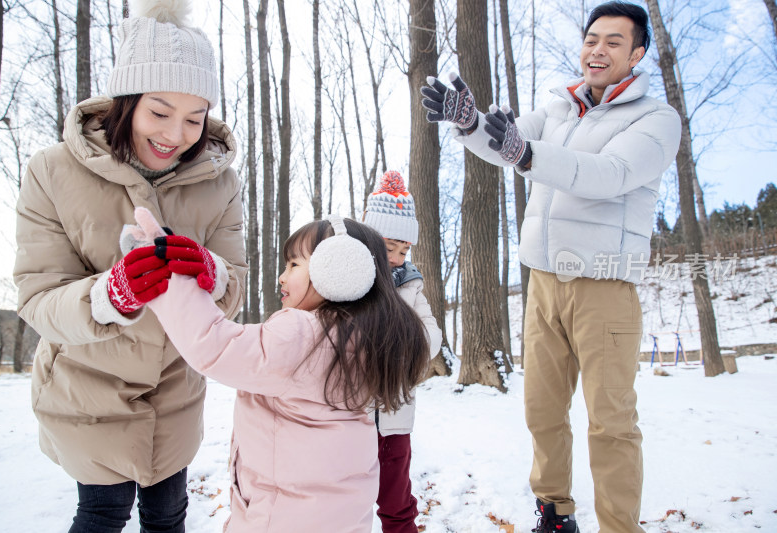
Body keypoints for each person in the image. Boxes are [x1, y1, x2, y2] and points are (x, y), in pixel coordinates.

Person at [421, 2, 681, 532]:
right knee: (541, 411)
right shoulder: (559, 107)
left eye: (613, 41)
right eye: (591, 39)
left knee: (610, 423)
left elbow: (609, 174)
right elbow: (507, 142)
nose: (597, 50)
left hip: (604, 287)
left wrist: (527, 154)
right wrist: (470, 123)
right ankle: (555, 513)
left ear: (637, 54)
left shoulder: (656, 119)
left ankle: (618, 525)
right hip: (542, 283)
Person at [12, 0, 247, 531]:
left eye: (194, 118)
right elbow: (36, 297)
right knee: (103, 512)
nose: (176, 134)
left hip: (174, 393)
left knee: (168, 514)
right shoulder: (51, 172)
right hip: (87, 387)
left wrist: (211, 273)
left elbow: (234, 285)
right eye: (159, 113)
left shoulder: (221, 183)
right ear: (126, 101)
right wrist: (108, 296)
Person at [140, 215, 430, 532]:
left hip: (280, 517)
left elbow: (213, 345)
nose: (282, 276)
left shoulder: (300, 335)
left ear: (340, 270)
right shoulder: (369, 339)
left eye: (293, 265)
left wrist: (170, 279)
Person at [362, 170, 443, 532]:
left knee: (396, 498)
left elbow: (430, 338)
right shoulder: (348, 282)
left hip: (394, 417)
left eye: (404, 250)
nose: (396, 258)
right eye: (389, 247)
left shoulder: (411, 287)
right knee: (345, 495)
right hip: (351, 415)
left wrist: (397, 341)